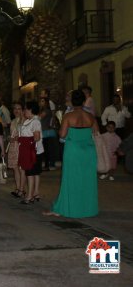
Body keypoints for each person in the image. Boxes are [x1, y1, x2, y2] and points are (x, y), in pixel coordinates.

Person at [45, 89, 99, 218]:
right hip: (88, 151)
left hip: (73, 150)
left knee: (70, 179)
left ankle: (67, 208)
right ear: (84, 101)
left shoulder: (68, 116)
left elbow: (62, 134)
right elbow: (96, 133)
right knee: (87, 180)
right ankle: (87, 209)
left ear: (72, 101)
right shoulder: (90, 116)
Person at [19, 101, 44, 205]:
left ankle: (29, 196)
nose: (24, 111)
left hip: (33, 151)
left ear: (31, 110)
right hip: (32, 150)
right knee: (34, 173)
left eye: (26, 109)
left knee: (30, 173)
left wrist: (26, 142)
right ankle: (35, 193)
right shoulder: (29, 121)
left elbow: (36, 137)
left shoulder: (35, 121)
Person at [7, 102, 25, 198]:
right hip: (13, 146)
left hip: (20, 146)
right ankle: (18, 188)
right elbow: (12, 134)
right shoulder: (13, 121)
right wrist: (9, 138)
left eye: (19, 108)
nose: (16, 110)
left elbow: (25, 135)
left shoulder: (24, 120)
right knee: (15, 168)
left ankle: (22, 189)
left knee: (21, 169)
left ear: (22, 110)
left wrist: (15, 138)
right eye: (15, 109)